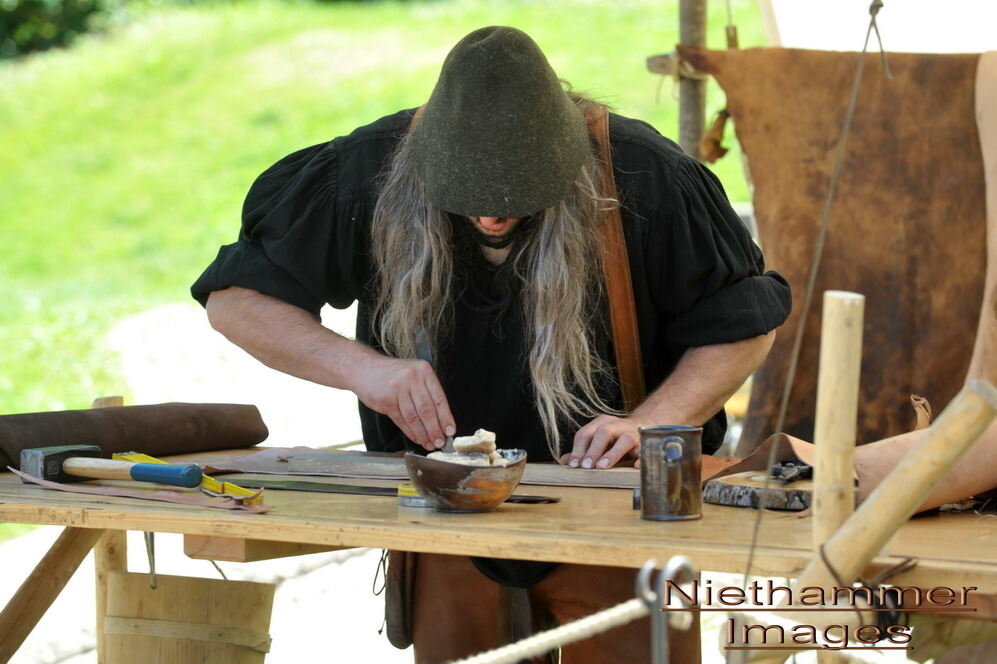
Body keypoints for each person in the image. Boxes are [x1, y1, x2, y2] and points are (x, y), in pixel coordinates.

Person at [192, 25, 791, 664]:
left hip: (616, 511)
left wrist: (652, 421)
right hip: (443, 511)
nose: (491, 217)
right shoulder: (366, 168)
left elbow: (743, 324)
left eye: (515, 196)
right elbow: (237, 302)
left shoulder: (647, 175)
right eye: (469, 198)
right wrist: (363, 370)